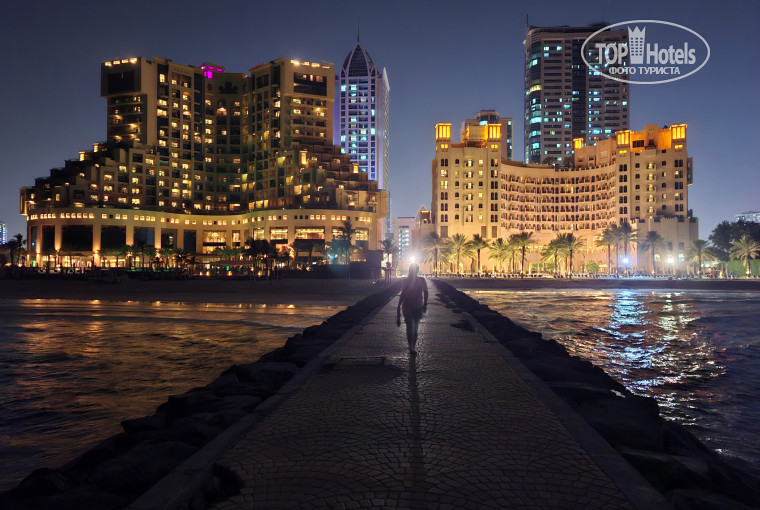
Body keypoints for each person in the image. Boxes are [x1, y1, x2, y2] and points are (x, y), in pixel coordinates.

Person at [396, 263, 428, 355]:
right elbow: (403, 294)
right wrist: (398, 306)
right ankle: (411, 347)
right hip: (409, 307)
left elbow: (426, 292)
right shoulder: (408, 281)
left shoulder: (420, 280)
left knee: (414, 328)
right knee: (411, 327)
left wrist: (425, 304)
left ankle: (412, 346)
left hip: (416, 306)